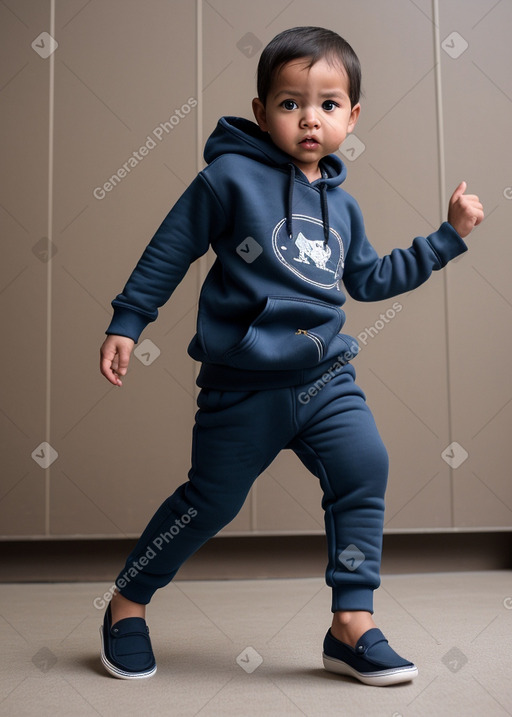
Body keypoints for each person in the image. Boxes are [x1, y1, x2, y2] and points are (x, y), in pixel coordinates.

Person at [98, 26, 483, 685]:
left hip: (325, 377)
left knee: (365, 464)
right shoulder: (228, 180)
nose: (310, 117)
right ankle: (126, 605)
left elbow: (371, 281)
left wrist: (447, 237)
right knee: (208, 502)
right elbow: (170, 249)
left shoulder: (346, 209)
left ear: (352, 117)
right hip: (243, 385)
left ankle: (351, 623)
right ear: (261, 112)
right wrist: (129, 320)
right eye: (289, 103)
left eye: (329, 104)